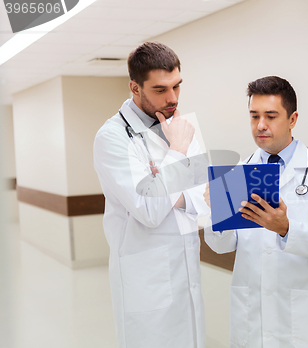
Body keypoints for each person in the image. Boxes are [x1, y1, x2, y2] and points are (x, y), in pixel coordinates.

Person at [204, 76, 308, 347]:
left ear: (292, 119)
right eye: (254, 116)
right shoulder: (237, 173)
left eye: (271, 116)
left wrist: (286, 228)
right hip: (252, 321)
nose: (260, 125)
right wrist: (218, 214)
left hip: (302, 324)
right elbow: (222, 246)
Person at [93, 42, 209, 348]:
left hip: (186, 272)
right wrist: (178, 152)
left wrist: (178, 197)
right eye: (160, 90)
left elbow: (206, 201)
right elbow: (149, 211)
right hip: (146, 282)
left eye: (177, 86)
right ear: (135, 87)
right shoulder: (112, 138)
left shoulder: (181, 127)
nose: (172, 99)